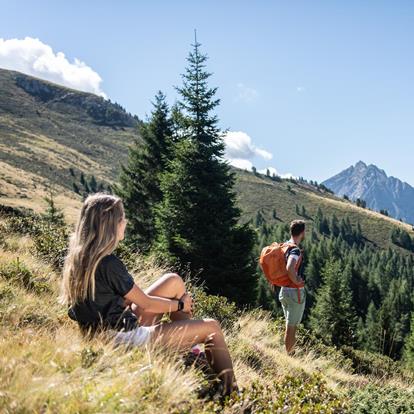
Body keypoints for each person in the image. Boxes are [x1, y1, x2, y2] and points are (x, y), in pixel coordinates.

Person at [60, 193, 237, 395]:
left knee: (173, 281)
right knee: (212, 327)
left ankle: (188, 353)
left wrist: (120, 302)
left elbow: (94, 303)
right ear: (110, 225)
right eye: (122, 218)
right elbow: (147, 304)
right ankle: (232, 394)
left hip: (103, 334)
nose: (125, 222)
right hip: (123, 340)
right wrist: (181, 306)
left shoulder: (78, 259)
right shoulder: (108, 263)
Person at [278, 220, 306, 354]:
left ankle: (290, 352)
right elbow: (290, 267)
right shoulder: (295, 249)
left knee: (289, 326)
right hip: (294, 293)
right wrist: (296, 281)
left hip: (284, 291)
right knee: (291, 328)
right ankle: (290, 356)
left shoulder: (285, 246)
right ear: (302, 233)